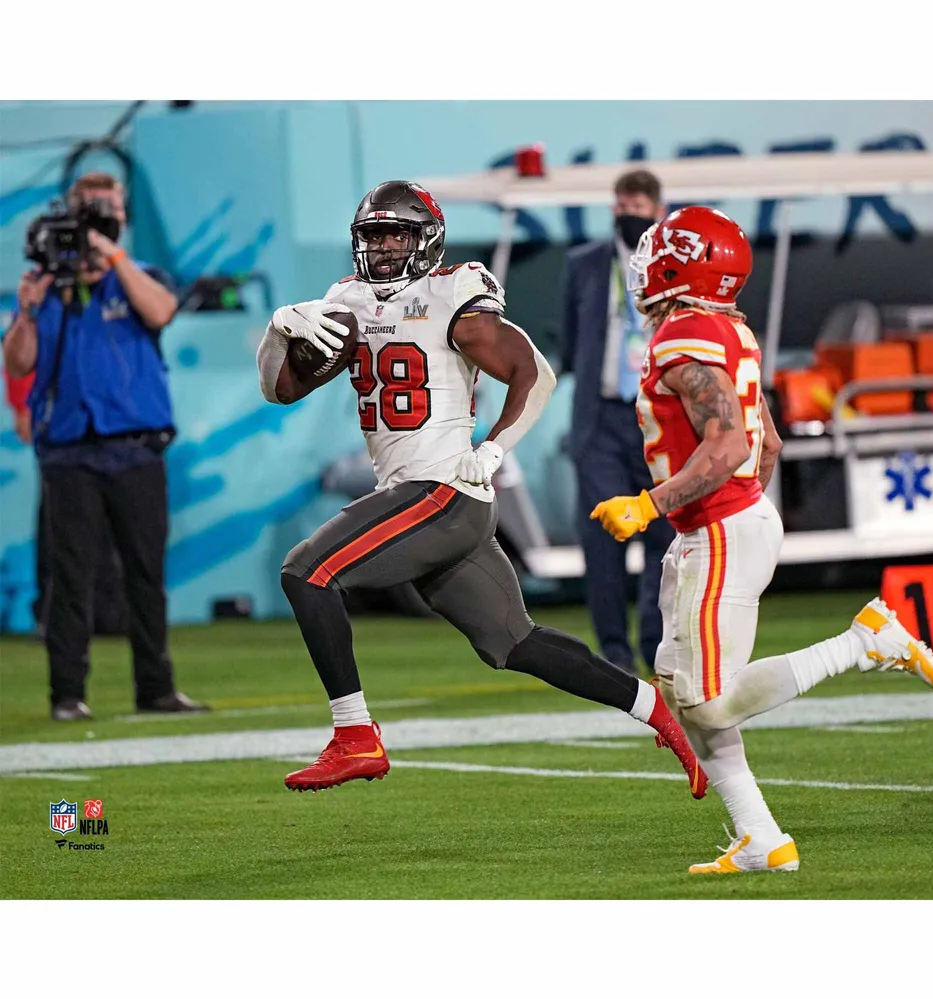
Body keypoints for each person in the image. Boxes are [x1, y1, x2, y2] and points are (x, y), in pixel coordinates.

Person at [256, 179, 705, 795]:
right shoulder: (347, 302)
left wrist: (493, 448)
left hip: (443, 488)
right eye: (374, 236)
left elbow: (536, 373)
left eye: (398, 234)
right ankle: (652, 709)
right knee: (514, 641)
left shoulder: (452, 294)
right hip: (417, 495)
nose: (385, 249)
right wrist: (279, 331)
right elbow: (280, 388)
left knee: (307, 571)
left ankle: (354, 734)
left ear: (426, 239)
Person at [591, 206, 933, 874]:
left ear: (681, 263)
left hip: (719, 529)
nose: (645, 265)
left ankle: (864, 641)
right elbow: (769, 442)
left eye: (658, 252)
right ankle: (761, 836)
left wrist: (652, 505)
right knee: (681, 687)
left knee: (706, 699)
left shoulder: (684, 336)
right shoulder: (728, 327)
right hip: (726, 524)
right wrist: (731, 512)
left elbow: (729, 444)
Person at [1, 172, 207, 721]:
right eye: (89, 210)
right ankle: (67, 695)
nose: (97, 219)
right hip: (69, 451)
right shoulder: (46, 287)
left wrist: (111, 257)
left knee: (145, 573)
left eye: (107, 209)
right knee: (71, 577)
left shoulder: (138, 275)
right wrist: (25, 310)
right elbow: (18, 362)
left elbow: (161, 311)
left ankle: (155, 689)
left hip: (136, 448)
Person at [560, 169, 673, 676]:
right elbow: (569, 340)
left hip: (657, 416)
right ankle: (613, 649)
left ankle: (655, 641)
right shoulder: (584, 264)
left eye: (639, 205)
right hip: (601, 418)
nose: (629, 213)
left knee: (663, 533)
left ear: (658, 210)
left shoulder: (672, 267)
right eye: (622, 205)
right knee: (603, 535)